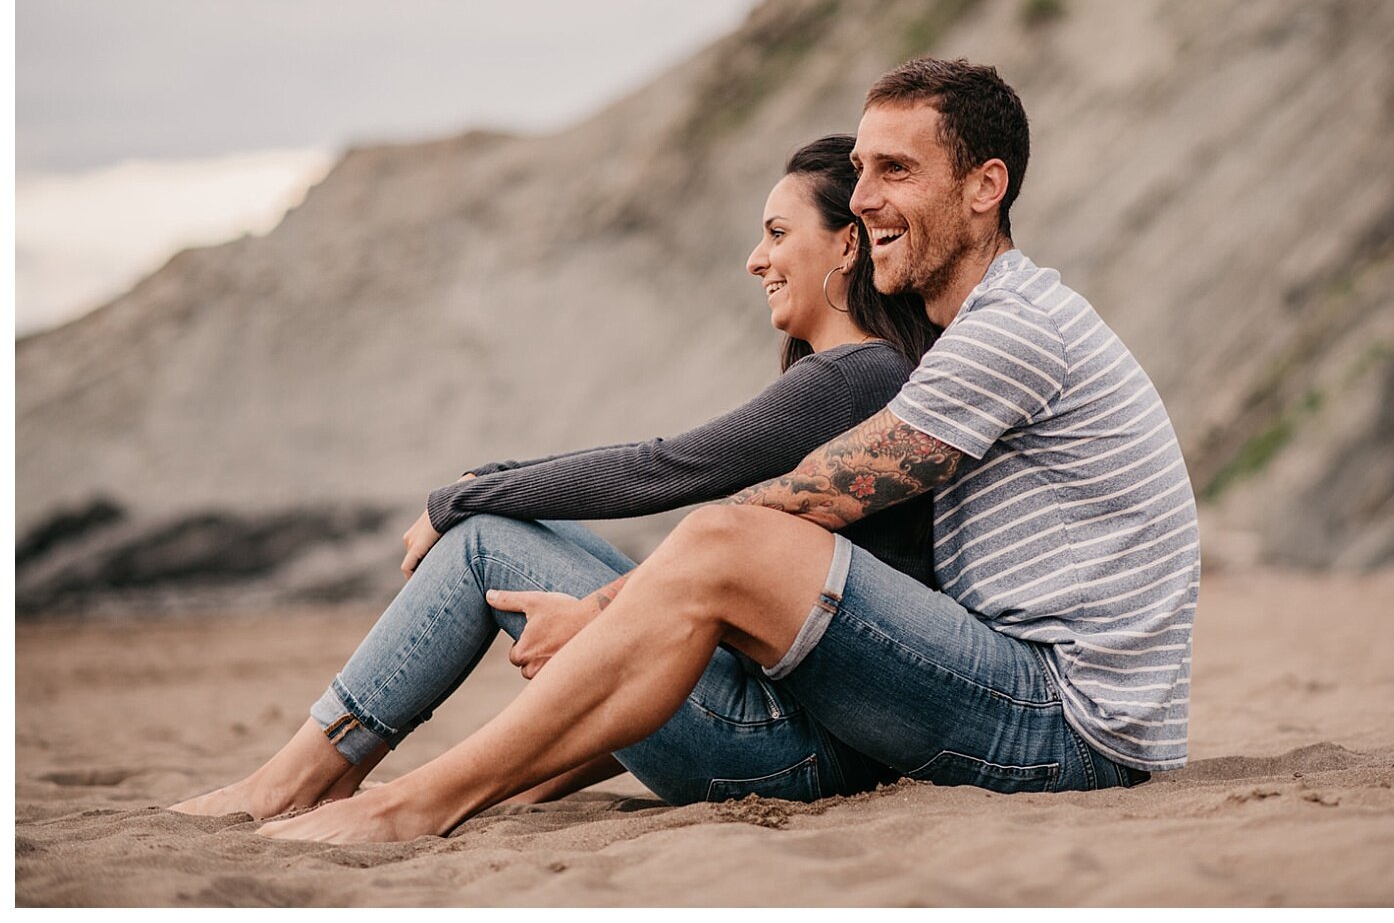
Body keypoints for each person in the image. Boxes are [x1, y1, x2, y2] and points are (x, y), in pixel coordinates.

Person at [255, 57, 1201, 844]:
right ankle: (351, 784)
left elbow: (795, 501)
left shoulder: (1012, 330)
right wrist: (624, 603)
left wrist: (606, 610)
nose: (866, 197)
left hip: (1072, 724)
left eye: (897, 171)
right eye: (862, 171)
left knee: (729, 536)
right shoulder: (970, 336)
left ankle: (414, 804)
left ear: (986, 186)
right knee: (713, 540)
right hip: (1027, 696)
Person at [172, 134, 939, 820]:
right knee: (517, 531)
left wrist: (461, 495)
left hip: (785, 753)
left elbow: (665, 469)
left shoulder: (852, 378)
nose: (755, 258)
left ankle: (298, 777)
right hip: (807, 740)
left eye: (777, 234)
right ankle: (327, 771)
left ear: (847, 246)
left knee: (482, 540)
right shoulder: (868, 376)